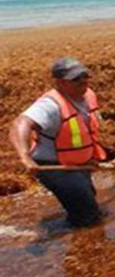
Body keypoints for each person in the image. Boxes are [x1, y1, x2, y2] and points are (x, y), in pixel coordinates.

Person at [8, 57, 107, 227]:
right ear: (60, 82)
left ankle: (77, 234)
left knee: (87, 199)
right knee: (88, 216)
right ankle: (81, 246)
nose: (83, 81)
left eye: (84, 76)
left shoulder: (88, 95)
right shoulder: (50, 105)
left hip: (79, 164)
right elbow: (20, 123)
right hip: (55, 167)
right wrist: (25, 157)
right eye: (76, 79)